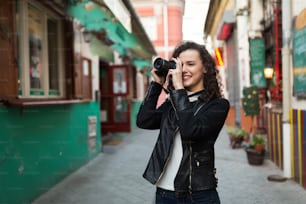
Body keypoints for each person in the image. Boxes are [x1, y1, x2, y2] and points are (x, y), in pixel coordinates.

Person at [136, 41, 230, 204]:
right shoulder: (173, 102)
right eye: (179, 65)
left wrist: (178, 88)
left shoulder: (217, 105)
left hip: (198, 195)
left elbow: (190, 130)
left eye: (191, 64)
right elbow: (144, 121)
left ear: (205, 68)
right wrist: (157, 85)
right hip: (165, 193)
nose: (184, 70)